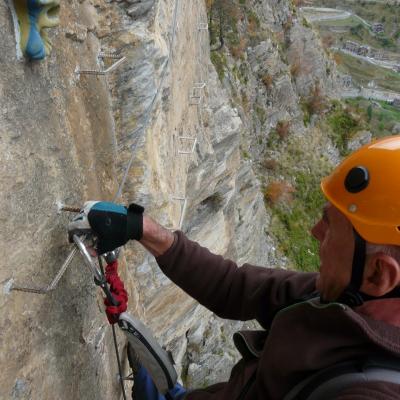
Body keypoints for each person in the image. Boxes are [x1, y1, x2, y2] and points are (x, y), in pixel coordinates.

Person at [68, 136, 400, 399]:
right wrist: (145, 230)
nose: (314, 231)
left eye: (329, 225)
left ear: (378, 273)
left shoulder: (371, 391)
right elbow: (236, 287)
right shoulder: (339, 293)